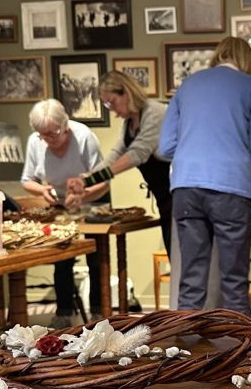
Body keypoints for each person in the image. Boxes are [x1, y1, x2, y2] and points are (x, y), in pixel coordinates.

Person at [158, 36, 251, 316]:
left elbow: (165, 146)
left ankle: (184, 352)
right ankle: (239, 351)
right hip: (231, 190)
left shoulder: (188, 85)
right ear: (246, 60)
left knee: (191, 281)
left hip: (185, 188)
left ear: (218, 56)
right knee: (234, 282)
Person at [67, 71, 173, 256]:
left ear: (126, 92)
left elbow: (137, 154)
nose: (111, 109)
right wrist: (83, 179)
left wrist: (88, 182)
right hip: (165, 200)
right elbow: (114, 156)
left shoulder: (154, 112)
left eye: (111, 102)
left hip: (180, 198)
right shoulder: (129, 123)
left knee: (184, 260)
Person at [22, 98, 106, 328]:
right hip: (59, 203)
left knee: (97, 258)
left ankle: (99, 312)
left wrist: (83, 195)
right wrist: (43, 190)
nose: (48, 139)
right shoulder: (34, 142)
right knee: (62, 257)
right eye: (43, 135)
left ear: (65, 125)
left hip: (92, 200)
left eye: (53, 133)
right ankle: (64, 311)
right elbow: (27, 181)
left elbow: (104, 180)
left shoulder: (84, 137)